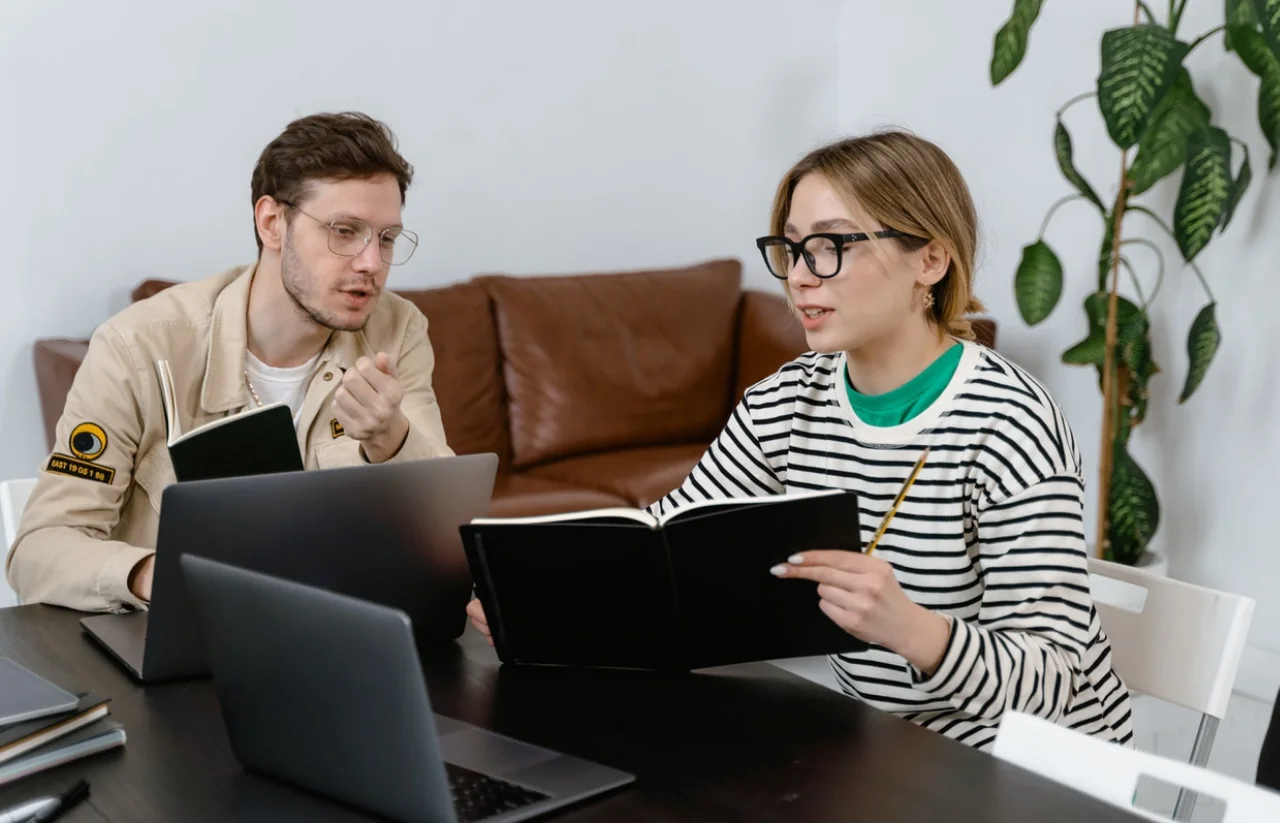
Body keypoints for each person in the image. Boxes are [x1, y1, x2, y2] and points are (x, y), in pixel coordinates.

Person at [468, 129, 1133, 751]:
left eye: (833, 245)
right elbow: (660, 542)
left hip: (1036, 772)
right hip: (887, 755)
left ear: (930, 259)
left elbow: (1055, 683)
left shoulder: (1011, 423)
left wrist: (913, 629)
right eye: (792, 247)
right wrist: (548, 600)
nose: (801, 276)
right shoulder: (788, 401)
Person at [7, 111, 453, 612]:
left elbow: (443, 527)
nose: (372, 263)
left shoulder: (398, 329)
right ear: (272, 223)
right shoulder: (136, 347)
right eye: (344, 231)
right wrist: (154, 574)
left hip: (340, 631)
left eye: (387, 238)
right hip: (183, 643)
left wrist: (390, 438)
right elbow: (38, 551)